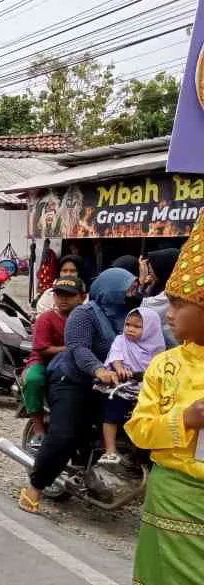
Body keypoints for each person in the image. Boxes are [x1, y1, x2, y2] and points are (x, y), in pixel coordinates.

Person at [19, 267, 140, 514]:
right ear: (110, 289)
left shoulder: (130, 316)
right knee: (65, 435)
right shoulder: (85, 313)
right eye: (128, 289)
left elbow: (155, 339)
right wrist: (98, 369)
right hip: (71, 379)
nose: (132, 293)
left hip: (110, 385)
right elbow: (78, 348)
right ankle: (35, 487)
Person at [124, 219, 204, 585]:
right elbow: (139, 431)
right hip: (173, 492)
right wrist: (184, 420)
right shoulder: (165, 365)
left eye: (177, 303)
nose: (168, 313)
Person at [22, 276, 85, 448]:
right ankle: (39, 430)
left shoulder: (87, 317)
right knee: (34, 380)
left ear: (81, 297)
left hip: (77, 364)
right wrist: (71, 349)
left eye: (69, 295)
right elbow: (42, 349)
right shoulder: (46, 318)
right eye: (59, 295)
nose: (63, 299)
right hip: (43, 362)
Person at [97, 308, 164, 467]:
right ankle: (110, 450)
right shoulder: (121, 340)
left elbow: (159, 367)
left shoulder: (158, 347)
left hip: (146, 390)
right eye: (127, 324)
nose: (130, 329)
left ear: (150, 329)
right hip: (122, 387)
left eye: (137, 326)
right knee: (112, 412)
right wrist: (120, 369)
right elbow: (116, 356)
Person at [138, 248, 179, 348]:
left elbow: (142, 309)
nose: (150, 274)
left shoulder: (171, 294)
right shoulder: (175, 285)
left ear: (162, 271)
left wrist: (141, 281)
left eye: (152, 271)